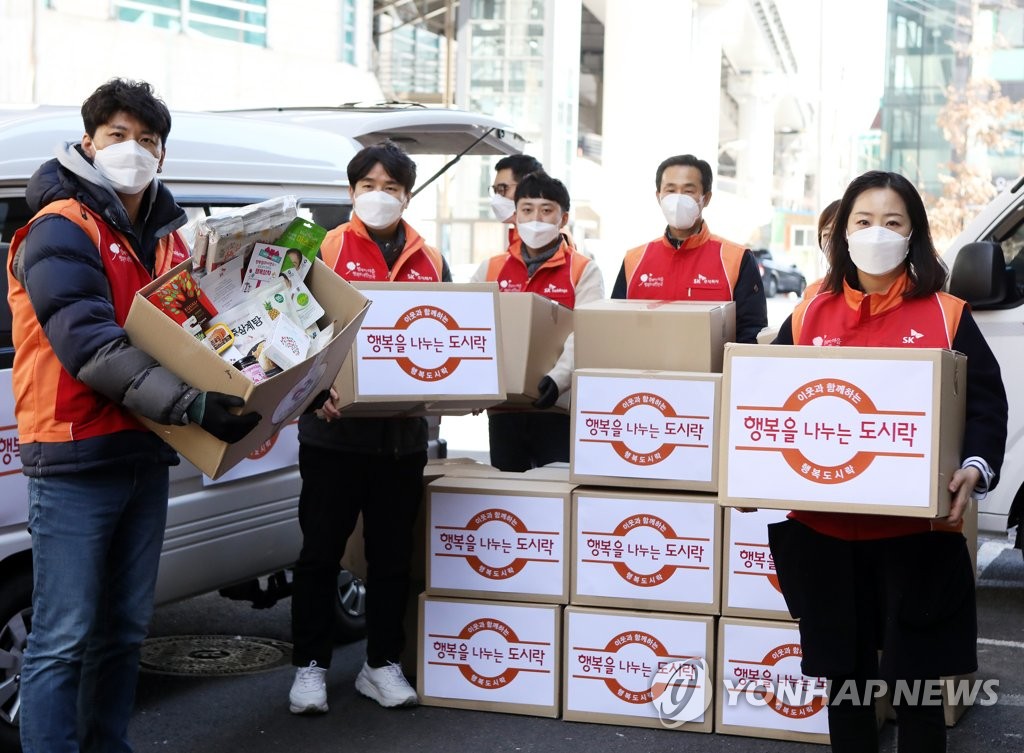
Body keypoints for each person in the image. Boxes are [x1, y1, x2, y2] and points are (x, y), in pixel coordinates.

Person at [6, 78, 260, 753]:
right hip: (74, 458)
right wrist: (195, 403)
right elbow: (89, 344)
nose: (134, 151)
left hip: (144, 451)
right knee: (62, 636)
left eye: (148, 141)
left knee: (123, 628)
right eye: (119, 136)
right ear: (88, 142)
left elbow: (195, 335)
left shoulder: (164, 241)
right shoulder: (61, 227)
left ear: (164, 156)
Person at [767, 170, 1008, 753]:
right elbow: (762, 399)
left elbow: (985, 405)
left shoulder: (947, 315)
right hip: (823, 535)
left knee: (918, 690)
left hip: (917, 538)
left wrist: (975, 468)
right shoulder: (808, 316)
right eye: (864, 221)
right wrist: (749, 470)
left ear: (915, 235)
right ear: (842, 232)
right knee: (846, 688)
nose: (878, 232)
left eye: (893, 222)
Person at [288, 140, 451, 714]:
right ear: (352, 192)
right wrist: (313, 395)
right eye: (368, 186)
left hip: (402, 439)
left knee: (391, 558)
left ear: (407, 195)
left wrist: (462, 390)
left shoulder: (431, 259)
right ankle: (309, 666)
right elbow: (292, 330)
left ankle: (381, 664)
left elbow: (452, 340)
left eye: (391, 187)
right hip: (333, 435)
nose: (379, 197)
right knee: (319, 555)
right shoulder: (325, 246)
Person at [471, 172, 604, 471]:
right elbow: (470, 325)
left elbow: (587, 332)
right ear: (515, 215)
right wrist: (475, 385)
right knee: (508, 498)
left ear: (563, 217)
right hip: (503, 409)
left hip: (557, 408)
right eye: (527, 209)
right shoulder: (491, 268)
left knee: (553, 497)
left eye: (546, 210)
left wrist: (559, 380)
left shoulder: (583, 270)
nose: (535, 218)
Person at [610, 154, 768, 344]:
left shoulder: (737, 259)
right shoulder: (634, 260)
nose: (677, 198)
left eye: (688, 190)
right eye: (670, 190)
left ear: (706, 198)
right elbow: (616, 326)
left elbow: (752, 333)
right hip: (648, 371)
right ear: (658, 197)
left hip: (713, 373)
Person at [803, 198, 841, 299]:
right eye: (826, 234)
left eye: (839, 233)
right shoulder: (812, 292)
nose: (832, 241)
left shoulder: (875, 289)